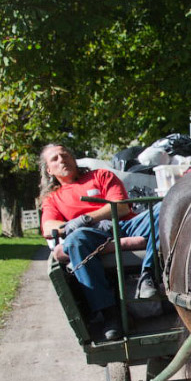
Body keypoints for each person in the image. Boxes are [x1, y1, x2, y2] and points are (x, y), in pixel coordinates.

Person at [39, 143, 161, 340]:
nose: (62, 160)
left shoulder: (101, 176)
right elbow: (48, 227)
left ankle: (148, 277)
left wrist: (86, 218)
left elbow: (120, 207)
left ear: (73, 158)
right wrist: (77, 225)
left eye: (65, 155)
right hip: (91, 235)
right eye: (55, 159)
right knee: (76, 240)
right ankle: (110, 314)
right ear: (49, 170)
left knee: (164, 208)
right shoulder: (53, 199)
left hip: (124, 226)